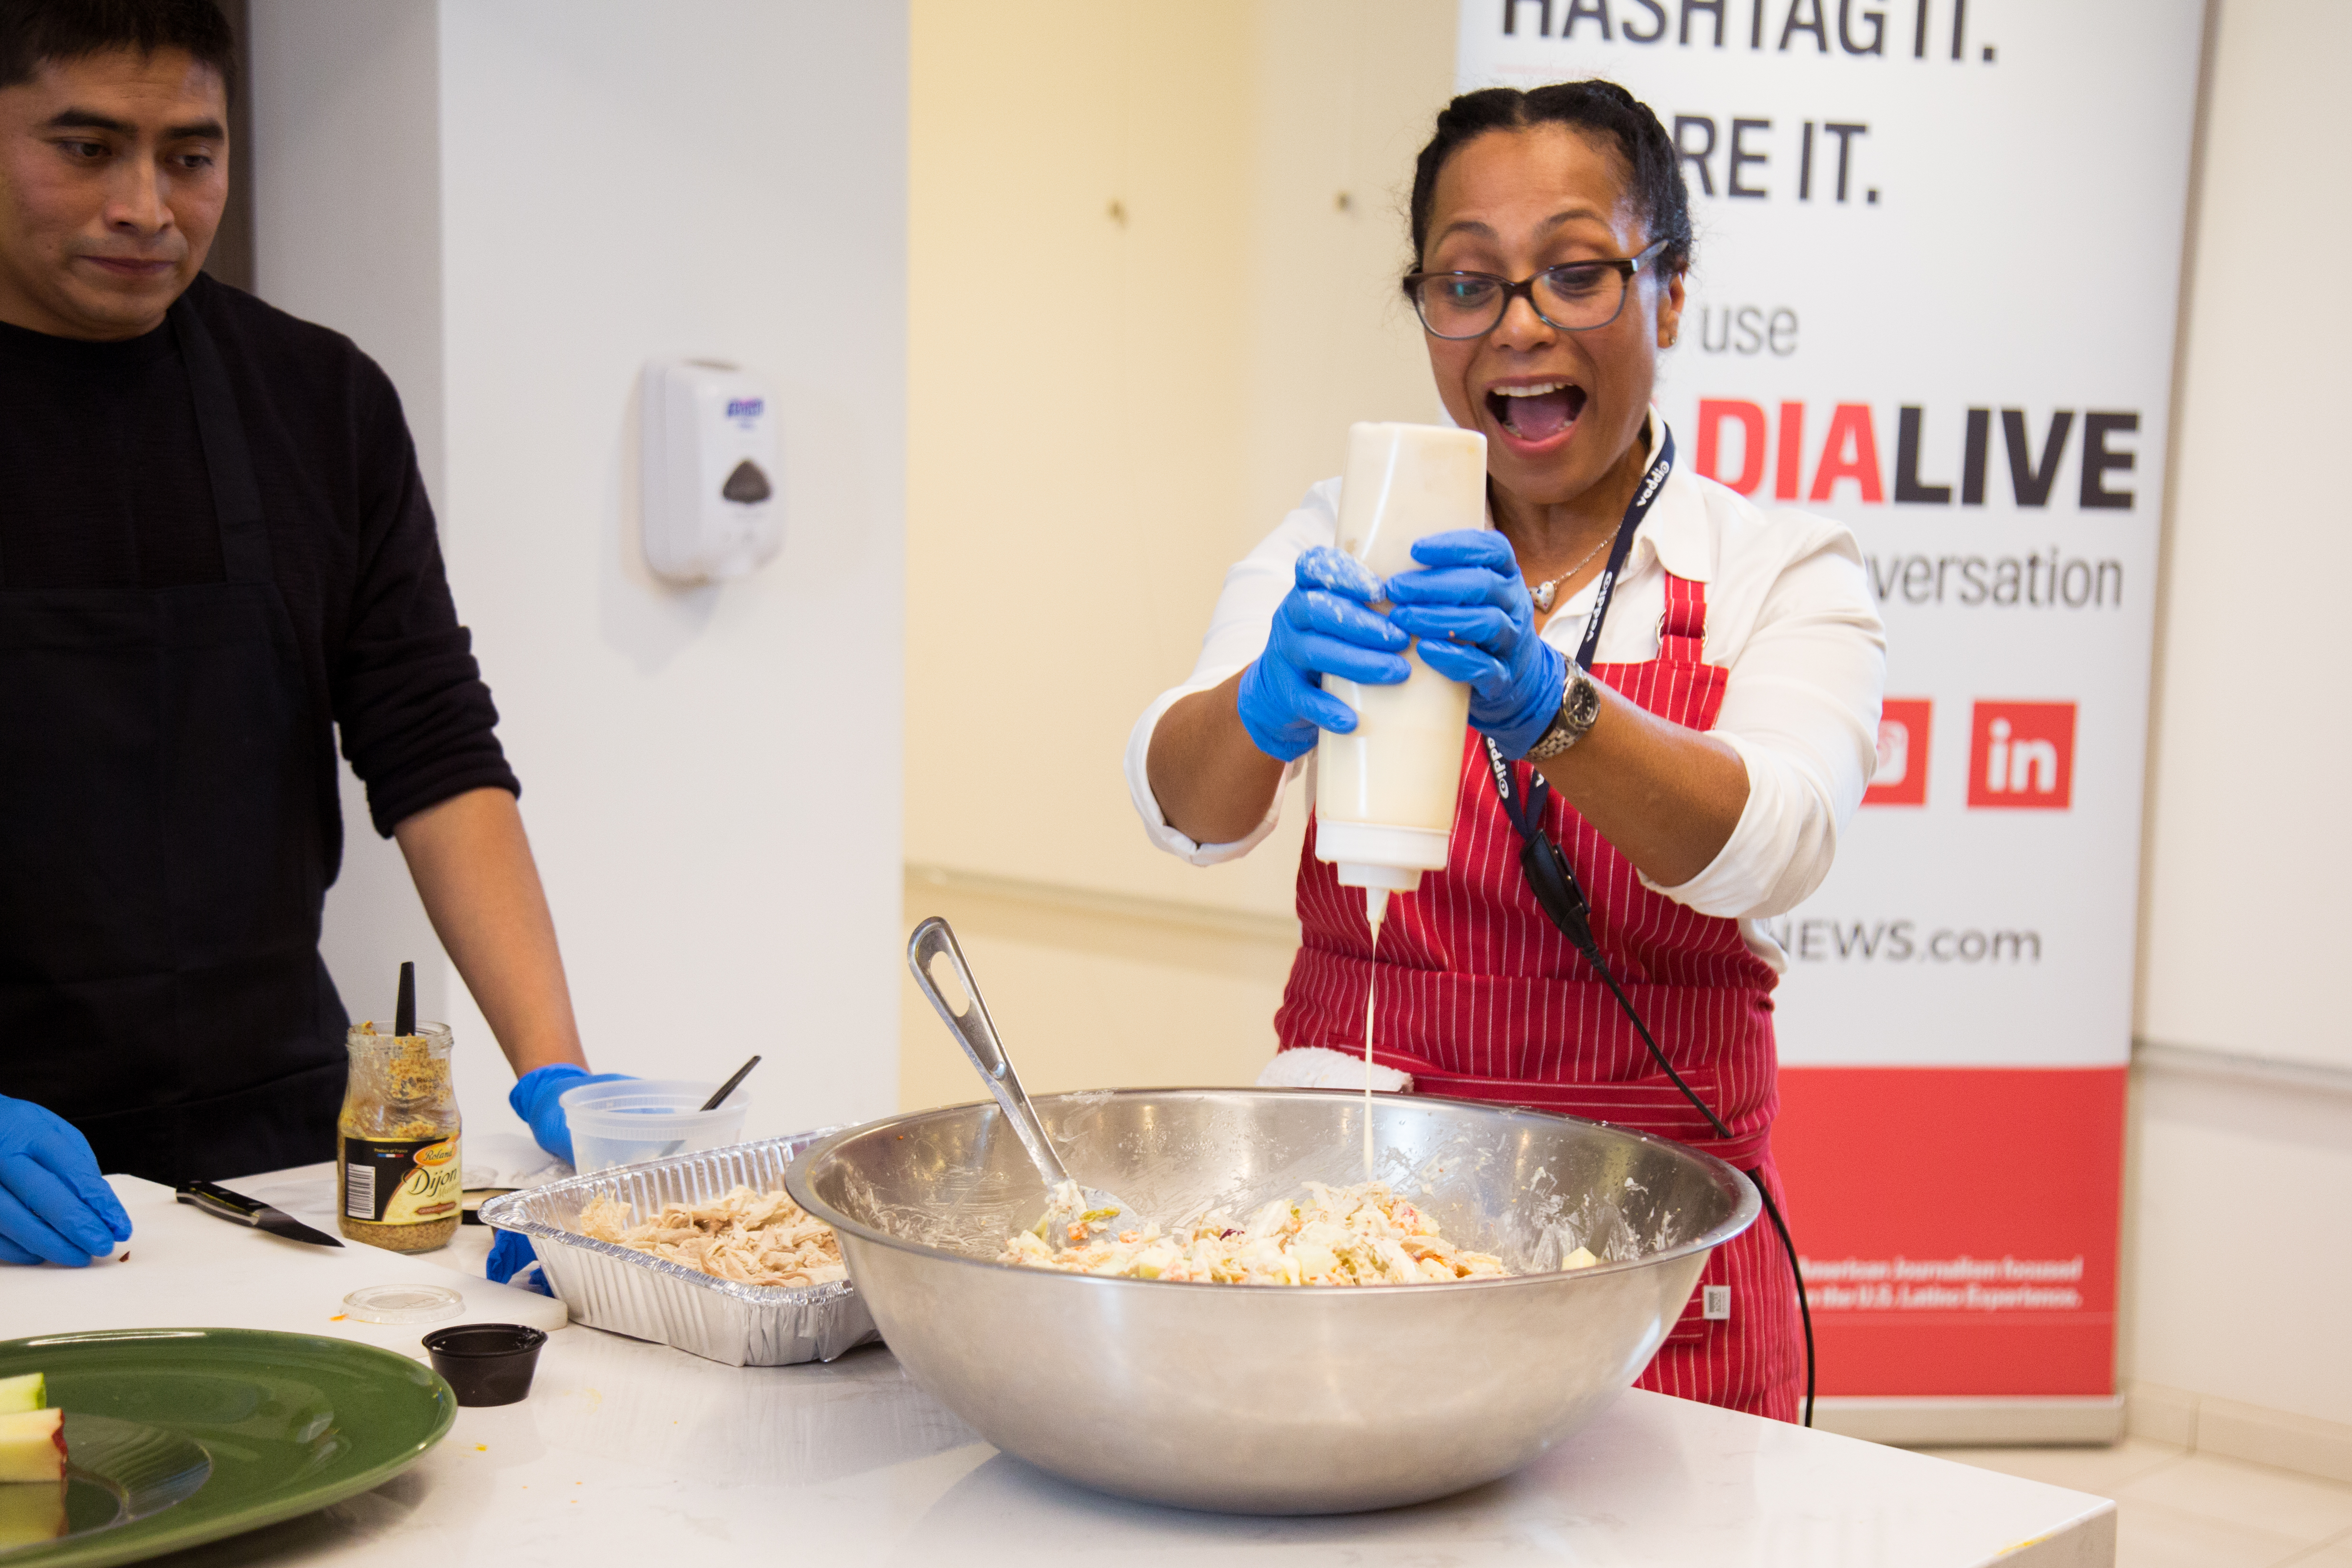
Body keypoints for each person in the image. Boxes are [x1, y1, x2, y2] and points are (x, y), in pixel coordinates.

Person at [1130, 81, 1885, 1421]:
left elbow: (1775, 836)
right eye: (1468, 283)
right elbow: (1183, 805)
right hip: (1360, 1241)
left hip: (1656, 1271)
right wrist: (1259, 703)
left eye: (1576, 273)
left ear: (1669, 294)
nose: (1519, 327)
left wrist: (1555, 705)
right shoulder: (1344, 532)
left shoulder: (1774, 568)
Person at [0, 0, 621, 1269]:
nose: (147, 206)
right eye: (86, 147)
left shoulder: (319, 401)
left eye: (191, 154)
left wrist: (565, 1077)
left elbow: (438, 751)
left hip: (274, 1159)